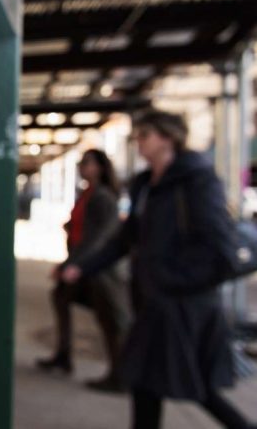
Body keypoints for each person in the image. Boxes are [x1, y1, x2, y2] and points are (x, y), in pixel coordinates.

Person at [61, 110, 256, 429]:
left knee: (190, 386)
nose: (139, 143)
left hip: (185, 305)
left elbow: (221, 252)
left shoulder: (197, 182)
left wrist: (172, 279)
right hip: (157, 302)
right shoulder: (145, 186)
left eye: (145, 136)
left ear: (167, 138)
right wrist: (81, 268)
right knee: (147, 381)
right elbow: (125, 240)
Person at [36, 149, 131, 393]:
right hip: (83, 263)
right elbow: (81, 230)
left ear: (100, 167)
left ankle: (121, 374)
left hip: (100, 269)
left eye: (87, 163)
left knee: (111, 319)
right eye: (81, 163)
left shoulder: (103, 197)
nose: (82, 167)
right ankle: (64, 354)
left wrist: (75, 265)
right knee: (60, 297)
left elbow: (99, 238)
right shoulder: (86, 195)